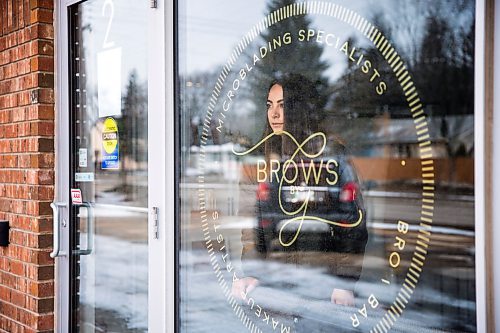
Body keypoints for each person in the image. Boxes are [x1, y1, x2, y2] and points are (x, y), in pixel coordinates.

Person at [232, 73, 368, 309]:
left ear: (299, 109)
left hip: (322, 284)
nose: (274, 113)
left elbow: (351, 222)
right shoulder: (263, 158)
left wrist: (344, 280)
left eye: (283, 106)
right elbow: (251, 225)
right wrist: (253, 270)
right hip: (275, 281)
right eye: (269, 105)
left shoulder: (328, 153)